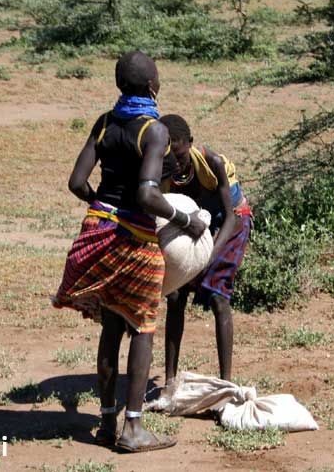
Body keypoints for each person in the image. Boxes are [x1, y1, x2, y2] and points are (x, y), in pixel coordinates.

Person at [52, 52, 206, 452]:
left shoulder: (104, 123)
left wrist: (102, 206)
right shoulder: (153, 131)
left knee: (111, 326)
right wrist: (186, 220)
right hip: (134, 241)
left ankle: (106, 422)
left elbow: (76, 182)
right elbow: (147, 194)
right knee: (141, 327)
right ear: (153, 86)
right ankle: (133, 428)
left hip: (98, 232)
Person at [159, 114, 252, 385]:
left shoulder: (213, 163)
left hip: (231, 219)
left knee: (217, 296)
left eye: (180, 155)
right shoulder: (164, 172)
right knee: (175, 296)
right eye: (170, 158)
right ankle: (170, 382)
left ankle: (225, 384)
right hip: (193, 223)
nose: (177, 164)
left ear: (190, 142)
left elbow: (231, 216)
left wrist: (207, 258)